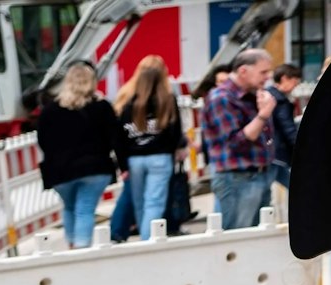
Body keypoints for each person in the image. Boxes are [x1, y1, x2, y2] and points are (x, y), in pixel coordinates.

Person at [35, 62, 121, 249]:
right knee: (85, 209)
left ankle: (71, 246)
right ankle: (81, 250)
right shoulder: (102, 107)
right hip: (95, 167)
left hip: (61, 171)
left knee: (69, 207)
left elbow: (43, 140)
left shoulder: (50, 110)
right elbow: (115, 138)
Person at [200, 48, 280, 230]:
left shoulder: (252, 95)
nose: (267, 77)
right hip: (238, 177)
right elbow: (236, 142)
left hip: (259, 173)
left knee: (254, 237)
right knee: (237, 237)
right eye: (263, 72)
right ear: (243, 71)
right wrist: (263, 114)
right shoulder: (222, 98)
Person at [111, 54, 186, 240]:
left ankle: (143, 236)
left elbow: (118, 138)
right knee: (155, 202)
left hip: (134, 159)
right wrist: (174, 150)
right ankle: (148, 239)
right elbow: (175, 132)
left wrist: (123, 165)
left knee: (139, 203)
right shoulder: (167, 100)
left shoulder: (126, 101)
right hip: (160, 157)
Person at [265, 63, 303, 188]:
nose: (295, 86)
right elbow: (288, 128)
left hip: (270, 151)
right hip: (278, 152)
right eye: (294, 81)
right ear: (284, 78)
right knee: (295, 186)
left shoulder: (267, 95)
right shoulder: (280, 101)